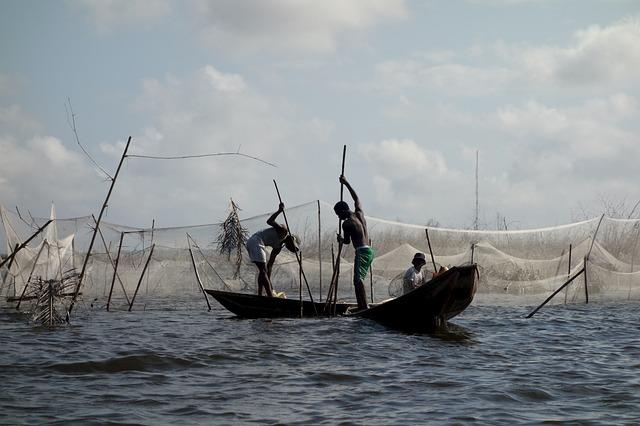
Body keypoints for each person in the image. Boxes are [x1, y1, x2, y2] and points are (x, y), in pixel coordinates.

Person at [334, 175, 374, 311]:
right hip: (369, 250)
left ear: (343, 211)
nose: (339, 218)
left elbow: (346, 241)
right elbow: (356, 198)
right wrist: (346, 183)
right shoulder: (359, 214)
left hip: (362, 252)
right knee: (358, 279)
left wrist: (340, 239)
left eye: (338, 214)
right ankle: (363, 305)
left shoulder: (347, 224)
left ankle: (364, 307)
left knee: (357, 280)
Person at [246, 203, 300, 297]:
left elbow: (270, 266)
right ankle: (270, 296)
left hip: (256, 244)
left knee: (263, 270)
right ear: (291, 239)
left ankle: (260, 294)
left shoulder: (278, 248)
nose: (290, 248)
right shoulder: (283, 231)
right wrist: (279, 211)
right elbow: (270, 221)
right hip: (256, 241)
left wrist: (269, 282)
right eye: (291, 246)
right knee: (263, 270)